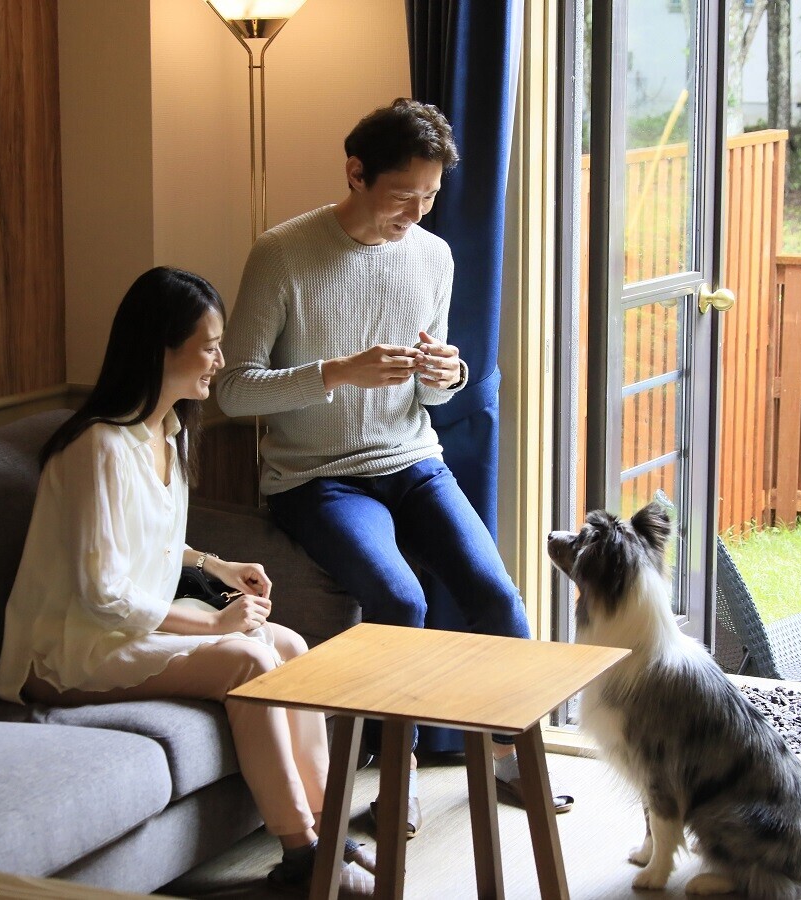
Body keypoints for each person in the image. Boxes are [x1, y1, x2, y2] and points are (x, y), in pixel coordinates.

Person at [215, 99, 574, 835]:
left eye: (431, 196)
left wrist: (449, 371)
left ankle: (512, 759)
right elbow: (234, 386)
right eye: (402, 195)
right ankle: (396, 779)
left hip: (412, 459)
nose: (417, 212)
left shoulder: (432, 255)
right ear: (355, 173)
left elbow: (433, 387)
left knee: (498, 597)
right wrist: (338, 371)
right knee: (399, 600)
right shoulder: (282, 252)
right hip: (319, 477)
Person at [0, 267, 373, 896]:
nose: (221, 361)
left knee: (291, 648)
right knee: (249, 660)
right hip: (66, 649)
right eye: (210, 344)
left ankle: (329, 833)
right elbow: (103, 592)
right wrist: (212, 622)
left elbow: (155, 542)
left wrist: (213, 567)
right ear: (160, 347)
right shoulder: (97, 448)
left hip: (117, 631)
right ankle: (303, 853)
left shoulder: (167, 432)